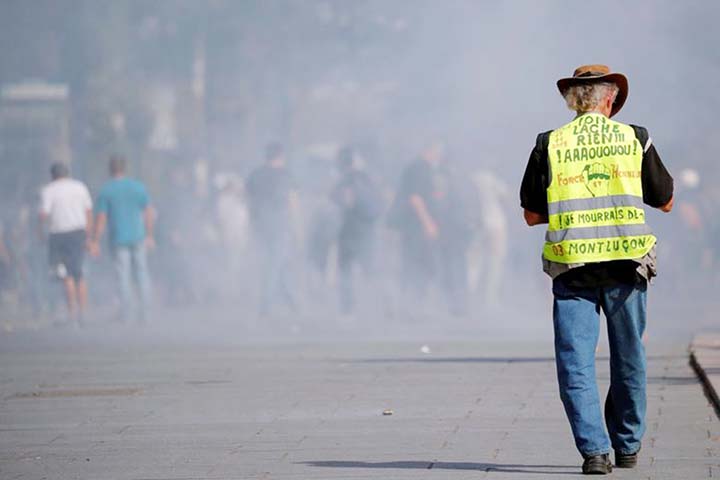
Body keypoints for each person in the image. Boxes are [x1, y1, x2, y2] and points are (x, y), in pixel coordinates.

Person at [520, 65, 673, 475]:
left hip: (573, 269)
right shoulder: (634, 138)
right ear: (610, 100)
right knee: (629, 359)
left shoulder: (549, 143)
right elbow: (666, 201)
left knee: (575, 363)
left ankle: (595, 453)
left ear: (573, 101)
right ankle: (627, 445)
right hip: (627, 267)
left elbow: (532, 216)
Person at [390, 142, 470, 315]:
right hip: (416, 227)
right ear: (428, 150)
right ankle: (410, 306)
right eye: (437, 150)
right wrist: (428, 223)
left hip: (426, 226)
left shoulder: (433, 170)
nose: (439, 154)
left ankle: (417, 305)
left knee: (426, 264)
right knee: (417, 264)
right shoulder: (419, 168)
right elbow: (415, 198)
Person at [90, 155, 154, 322]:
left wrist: (95, 240)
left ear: (110, 169)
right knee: (142, 273)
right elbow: (148, 212)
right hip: (138, 236)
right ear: (125, 168)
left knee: (123, 276)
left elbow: (101, 218)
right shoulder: (138, 187)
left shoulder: (107, 190)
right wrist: (149, 235)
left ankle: (128, 314)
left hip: (119, 238)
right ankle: (146, 313)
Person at [246, 142, 299, 316]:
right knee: (275, 263)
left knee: (278, 262)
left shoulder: (255, 175)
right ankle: (266, 304)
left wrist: (252, 224)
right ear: (280, 156)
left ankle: (292, 300)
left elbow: (249, 202)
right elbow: (292, 202)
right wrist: (297, 227)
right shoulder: (285, 175)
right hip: (279, 225)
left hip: (260, 226)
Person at [38, 163, 93, 324]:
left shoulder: (49, 190)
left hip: (58, 234)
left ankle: (72, 313)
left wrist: (40, 232)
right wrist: (89, 236)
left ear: (53, 175)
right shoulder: (80, 187)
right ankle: (83, 313)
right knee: (79, 274)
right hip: (78, 233)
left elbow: (43, 215)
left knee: (66, 275)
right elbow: (89, 212)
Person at [330, 146, 382, 315]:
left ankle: (348, 308)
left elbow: (346, 202)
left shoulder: (345, 180)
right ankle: (377, 305)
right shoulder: (367, 177)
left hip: (350, 230)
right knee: (369, 268)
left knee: (345, 269)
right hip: (368, 229)